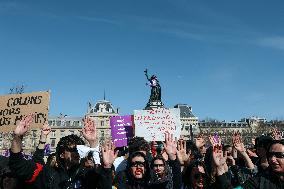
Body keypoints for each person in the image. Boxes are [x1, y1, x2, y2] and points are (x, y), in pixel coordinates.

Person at [9, 114, 117, 189]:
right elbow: (17, 165)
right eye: (72, 149)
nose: (76, 152)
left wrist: (106, 166)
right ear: (61, 154)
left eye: (79, 149)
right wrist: (17, 137)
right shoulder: (48, 174)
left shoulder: (87, 174)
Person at [214, 139, 284, 189]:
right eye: (270, 155)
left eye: (279, 155)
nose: (272, 159)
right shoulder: (260, 181)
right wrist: (220, 167)